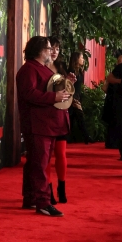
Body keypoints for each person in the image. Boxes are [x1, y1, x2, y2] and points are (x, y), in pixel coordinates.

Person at [16, 36, 71, 216]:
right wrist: (54, 97)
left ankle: (31, 198)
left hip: (46, 124)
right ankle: (43, 202)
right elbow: (28, 94)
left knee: (36, 162)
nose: (51, 52)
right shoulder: (29, 69)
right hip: (37, 125)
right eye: (48, 48)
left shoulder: (41, 68)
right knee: (40, 164)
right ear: (40, 50)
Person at [45, 37, 70, 203]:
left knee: (61, 154)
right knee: (46, 157)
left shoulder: (61, 67)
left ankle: (62, 187)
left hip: (60, 115)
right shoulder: (39, 68)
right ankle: (48, 190)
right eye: (51, 48)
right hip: (46, 116)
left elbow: (66, 90)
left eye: (57, 49)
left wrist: (70, 83)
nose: (54, 52)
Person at [104, 52, 122, 160]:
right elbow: (105, 87)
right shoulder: (113, 74)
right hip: (115, 102)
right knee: (119, 126)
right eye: (121, 62)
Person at [66, 51, 92, 144]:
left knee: (73, 118)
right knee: (79, 117)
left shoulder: (80, 71)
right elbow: (69, 86)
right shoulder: (71, 72)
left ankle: (70, 138)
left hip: (77, 96)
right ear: (76, 59)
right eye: (81, 58)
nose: (83, 60)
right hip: (72, 97)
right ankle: (86, 137)